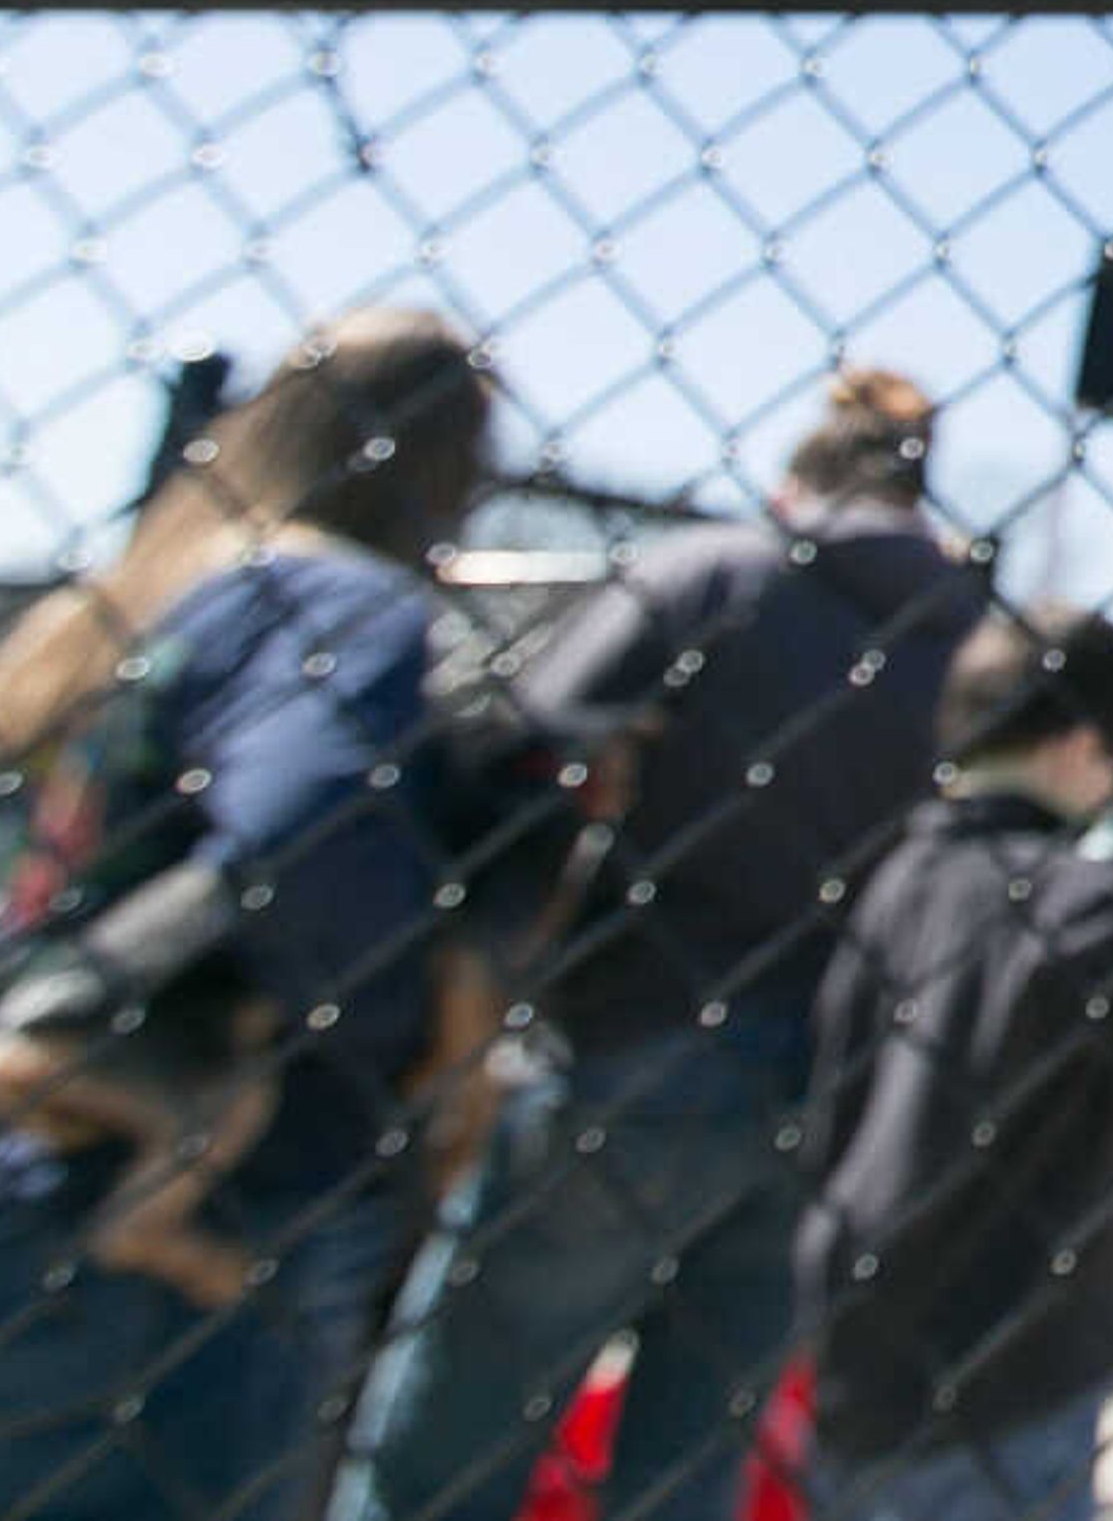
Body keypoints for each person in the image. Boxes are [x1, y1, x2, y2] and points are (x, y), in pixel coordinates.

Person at [339, 369, 982, 1521]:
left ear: (796, 477)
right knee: (698, 1447)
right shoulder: (971, 635)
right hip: (842, 1073)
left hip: (639, 1027)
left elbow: (527, 747)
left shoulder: (715, 573)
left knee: (460, 1425)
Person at [0, 309, 494, 1519]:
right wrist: (408, 1036)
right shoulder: (348, 602)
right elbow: (299, 836)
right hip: (182, 1222)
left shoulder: (164, 586)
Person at [797, 610, 1113, 1519]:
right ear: (1080, 745)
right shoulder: (1087, 901)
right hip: (1021, 1345)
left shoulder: (898, 879)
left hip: (865, 1325)